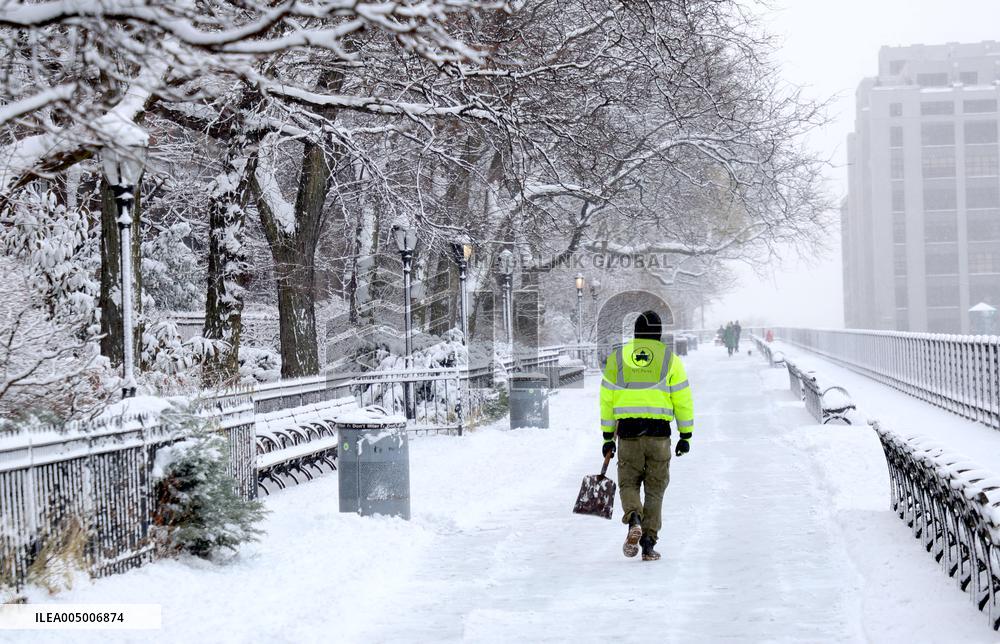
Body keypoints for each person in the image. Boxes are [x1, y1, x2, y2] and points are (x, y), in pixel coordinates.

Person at [600, 310, 695, 561]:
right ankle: (649, 543)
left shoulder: (618, 358)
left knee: (628, 483)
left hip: (628, 434)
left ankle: (633, 518)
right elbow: (682, 399)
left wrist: (608, 437)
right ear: (659, 333)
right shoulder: (670, 359)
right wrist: (686, 434)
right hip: (658, 436)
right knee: (655, 489)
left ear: (636, 332)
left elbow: (607, 400)